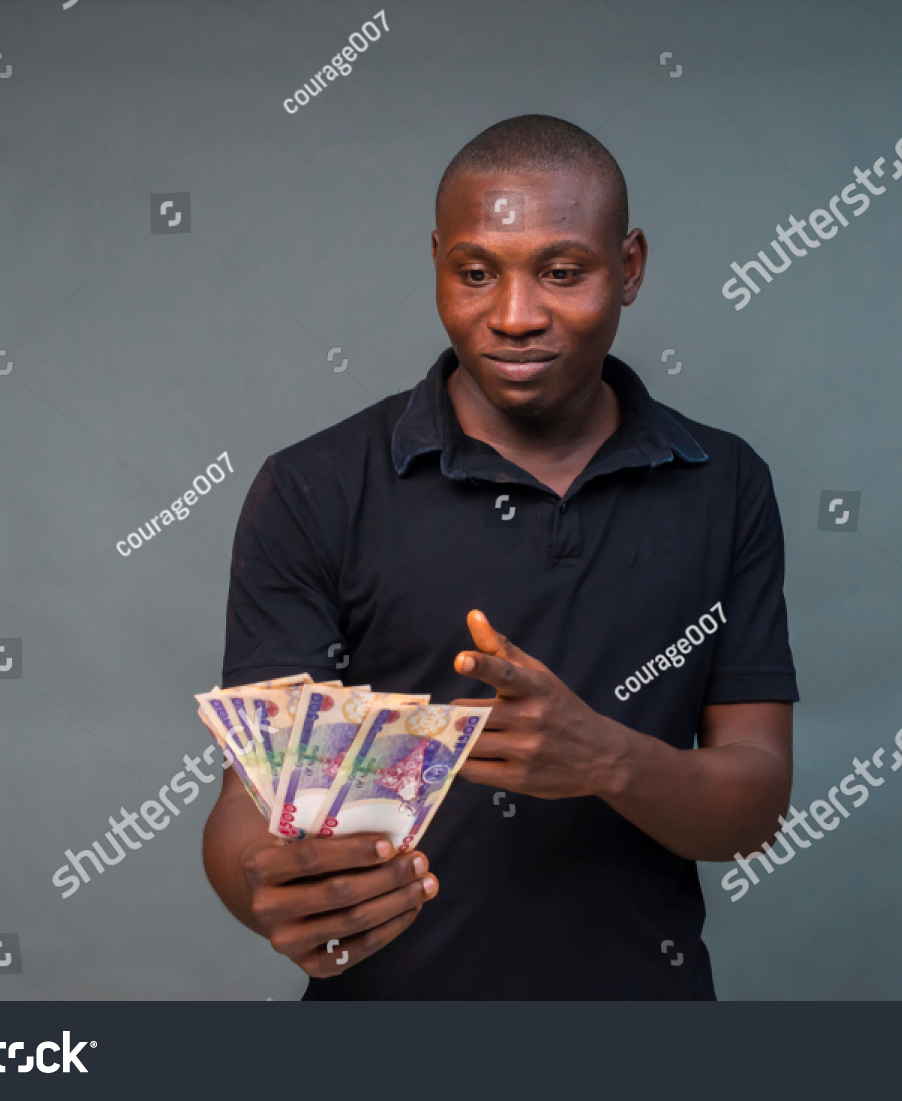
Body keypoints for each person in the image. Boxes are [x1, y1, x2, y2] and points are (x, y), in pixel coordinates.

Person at [201, 114, 798, 999]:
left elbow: (754, 799)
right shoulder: (314, 488)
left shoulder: (724, 483)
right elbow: (248, 808)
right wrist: (266, 886)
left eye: (563, 272)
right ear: (437, 259)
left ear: (628, 268)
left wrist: (607, 758)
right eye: (475, 272)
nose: (515, 316)